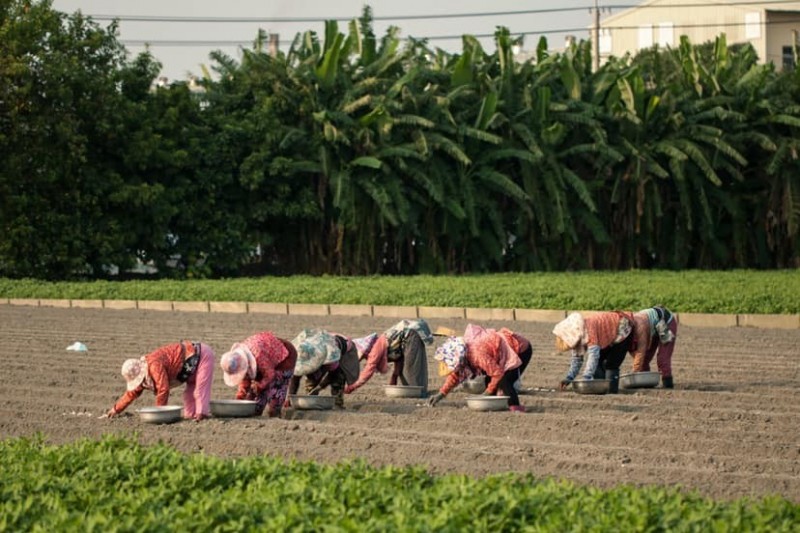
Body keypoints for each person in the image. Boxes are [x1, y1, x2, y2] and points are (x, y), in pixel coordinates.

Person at [427, 324, 530, 412]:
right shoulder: (465, 355)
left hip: (520, 348)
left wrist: (487, 393)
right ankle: (494, 406)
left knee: (505, 381)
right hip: (499, 354)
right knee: (489, 381)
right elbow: (455, 376)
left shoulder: (477, 355)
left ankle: (516, 408)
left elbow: (498, 374)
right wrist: (441, 394)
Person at [106, 340, 215, 421]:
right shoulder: (144, 374)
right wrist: (115, 409)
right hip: (188, 368)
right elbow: (131, 394)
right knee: (188, 393)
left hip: (201, 355)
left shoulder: (154, 365)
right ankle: (191, 415)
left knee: (200, 390)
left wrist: (159, 412)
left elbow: (163, 389)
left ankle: (202, 414)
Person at [344, 319, 433, 397]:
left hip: (411, 335)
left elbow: (368, 371)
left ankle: (419, 393)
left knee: (411, 374)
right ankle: (421, 392)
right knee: (407, 377)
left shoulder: (375, 348)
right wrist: (394, 378)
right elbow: (398, 357)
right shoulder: (380, 346)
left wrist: (350, 388)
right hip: (410, 338)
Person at [553, 311, 635, 394]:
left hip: (621, 326)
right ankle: (601, 387)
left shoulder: (589, 330)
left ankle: (611, 389)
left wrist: (587, 377)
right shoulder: (577, 336)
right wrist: (569, 378)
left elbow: (594, 355)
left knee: (612, 363)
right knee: (599, 361)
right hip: (605, 333)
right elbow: (576, 360)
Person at [219, 331, 297, 417]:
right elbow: (245, 378)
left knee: (275, 388)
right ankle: (255, 410)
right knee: (254, 399)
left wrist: (259, 386)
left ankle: (275, 412)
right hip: (265, 360)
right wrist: (240, 396)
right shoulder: (238, 359)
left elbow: (270, 375)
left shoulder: (258, 355)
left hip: (284, 356)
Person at [287, 329, 360, 409]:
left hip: (344, 350)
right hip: (319, 342)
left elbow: (334, 373)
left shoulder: (331, 354)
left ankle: (337, 402)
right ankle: (311, 397)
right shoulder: (300, 352)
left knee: (339, 377)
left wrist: (320, 387)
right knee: (312, 377)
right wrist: (290, 397)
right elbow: (295, 377)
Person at [631, 306, 678, 388]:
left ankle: (667, 383)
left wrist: (635, 373)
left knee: (663, 358)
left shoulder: (640, 327)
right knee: (644, 358)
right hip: (654, 325)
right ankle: (646, 382)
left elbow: (640, 351)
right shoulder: (630, 327)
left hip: (666, 323)